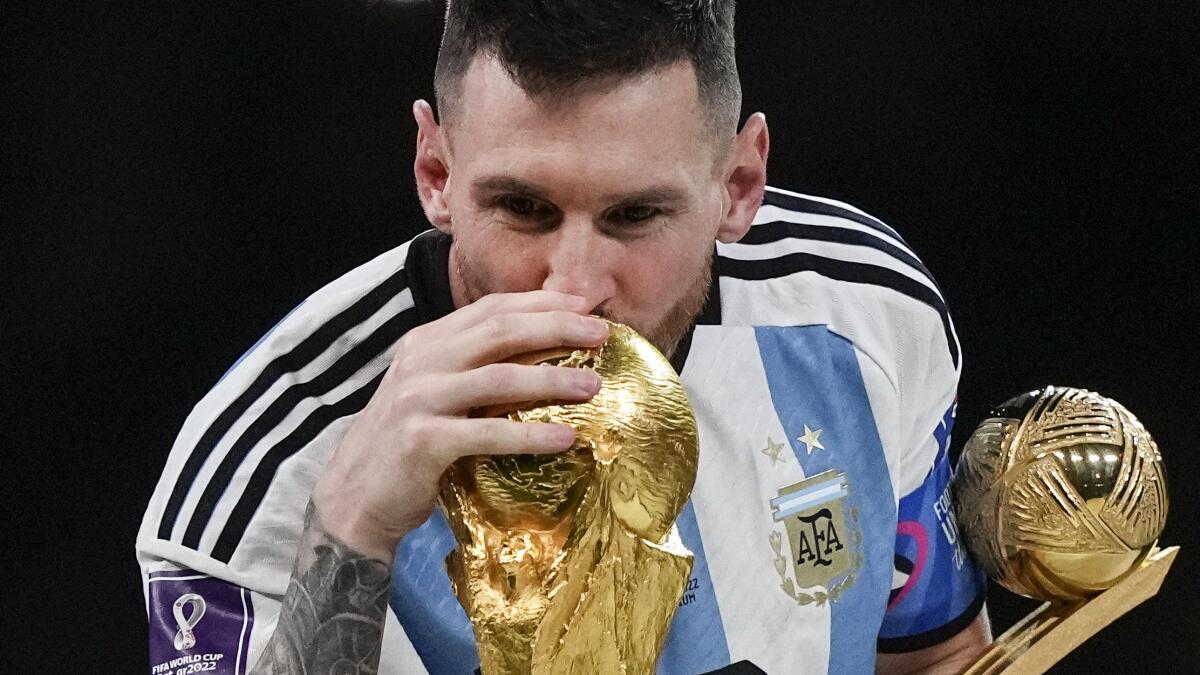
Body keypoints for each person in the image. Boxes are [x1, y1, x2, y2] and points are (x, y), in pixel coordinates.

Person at [138, 1, 990, 673]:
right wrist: (352, 524)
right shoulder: (263, 467)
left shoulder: (866, 315)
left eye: (634, 215)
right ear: (436, 174)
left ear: (738, 184)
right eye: (523, 208)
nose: (573, 286)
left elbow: (934, 657)